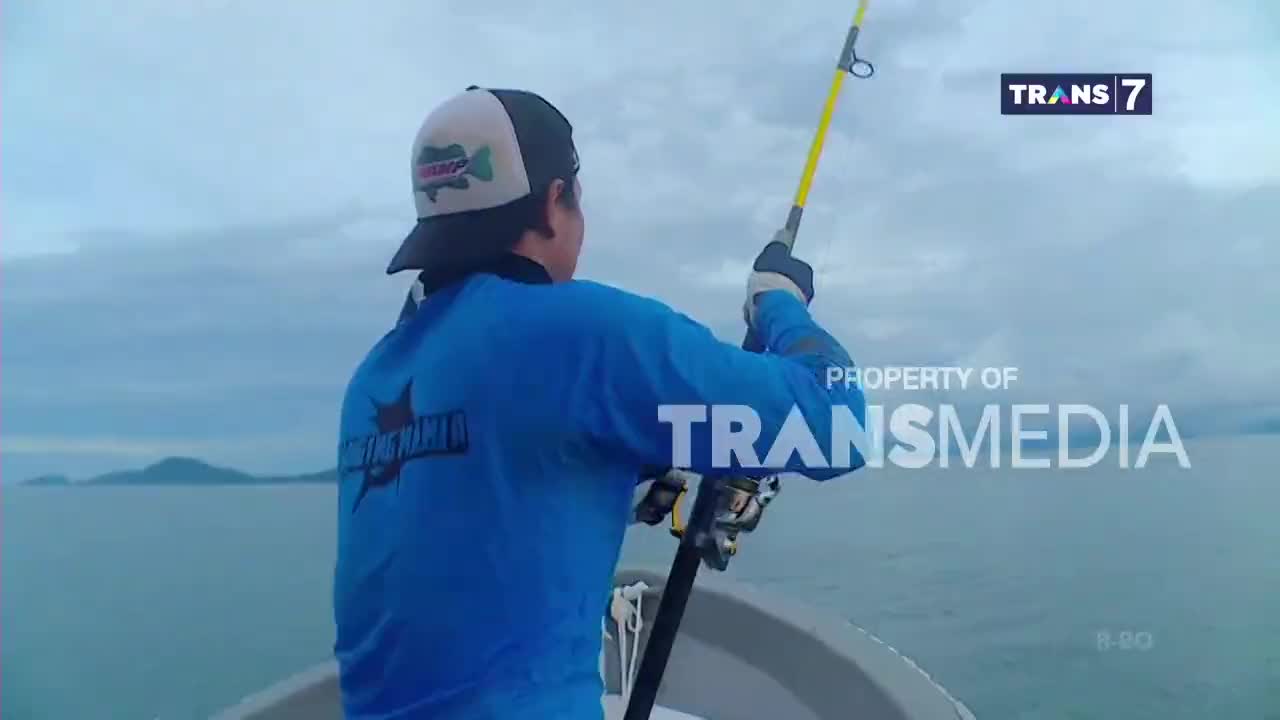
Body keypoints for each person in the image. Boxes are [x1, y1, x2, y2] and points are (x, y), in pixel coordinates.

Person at [333, 85, 868, 720]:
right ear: (555, 201)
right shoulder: (582, 334)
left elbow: (473, 502)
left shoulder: (375, 378)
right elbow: (836, 424)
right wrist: (777, 300)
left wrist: (618, 481)